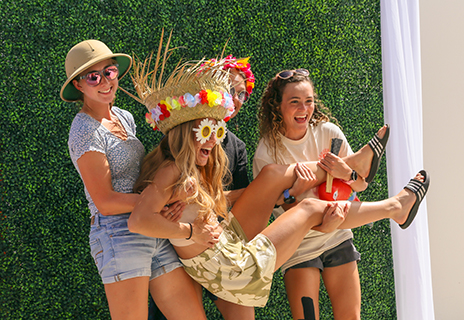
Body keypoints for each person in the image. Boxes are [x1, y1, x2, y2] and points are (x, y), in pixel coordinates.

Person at [126, 55, 429, 313]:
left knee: (271, 174)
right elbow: (139, 220)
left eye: (216, 132)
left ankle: (352, 166)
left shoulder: (198, 164)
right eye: (207, 131)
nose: (215, 139)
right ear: (184, 133)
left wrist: (282, 193)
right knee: (310, 206)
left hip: (225, 242)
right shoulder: (171, 171)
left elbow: (218, 201)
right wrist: (190, 230)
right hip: (230, 265)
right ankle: (394, 207)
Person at [62, 39, 213, 320]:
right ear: (79, 86)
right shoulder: (84, 130)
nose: (105, 81)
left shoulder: (124, 117)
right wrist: (164, 199)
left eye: (109, 71)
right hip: (116, 233)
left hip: (153, 224)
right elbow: (105, 202)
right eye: (93, 76)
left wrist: (162, 201)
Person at [253, 68, 390, 319]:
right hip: (300, 245)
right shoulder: (266, 152)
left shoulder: (329, 133)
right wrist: (297, 192)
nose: (303, 109)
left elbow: (360, 186)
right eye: (294, 102)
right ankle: (395, 204)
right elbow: (281, 217)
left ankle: (391, 199)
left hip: (338, 235)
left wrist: (345, 173)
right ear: (277, 106)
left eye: (308, 101)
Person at [147, 55, 256, 320]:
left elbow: (237, 202)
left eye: (242, 93)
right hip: (176, 251)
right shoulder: (179, 138)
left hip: (216, 245)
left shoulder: (236, 146)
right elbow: (150, 202)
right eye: (230, 90)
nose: (236, 99)